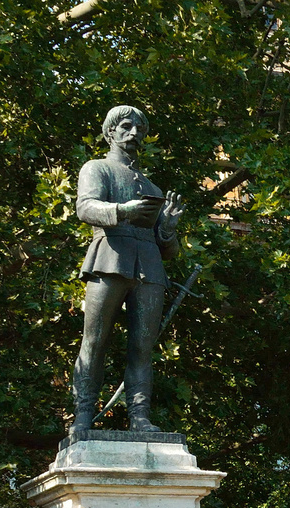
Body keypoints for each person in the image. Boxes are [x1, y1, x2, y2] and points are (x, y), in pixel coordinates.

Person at [71, 105, 185, 441]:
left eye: (140, 130)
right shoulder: (97, 169)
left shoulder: (151, 185)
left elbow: (169, 250)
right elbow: (85, 206)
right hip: (109, 258)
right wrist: (123, 210)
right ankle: (82, 416)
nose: (134, 134)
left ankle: (140, 417)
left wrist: (168, 228)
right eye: (126, 127)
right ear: (110, 132)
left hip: (148, 266)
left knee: (142, 347)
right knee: (94, 340)